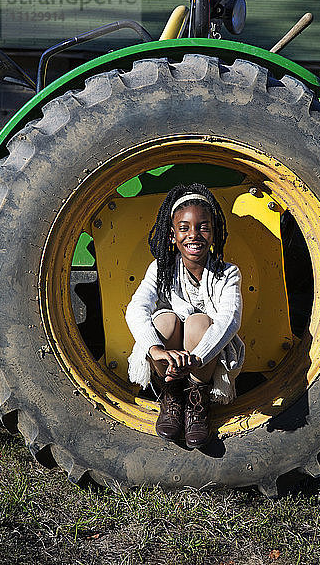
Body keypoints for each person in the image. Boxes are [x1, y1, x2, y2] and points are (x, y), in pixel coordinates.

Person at [125, 183, 244, 448]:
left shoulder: (228, 273)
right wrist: (156, 350)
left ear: (214, 234)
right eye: (184, 228)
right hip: (169, 358)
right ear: (172, 235)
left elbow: (229, 319)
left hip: (206, 357)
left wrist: (197, 357)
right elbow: (136, 307)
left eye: (203, 227)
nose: (194, 235)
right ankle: (171, 397)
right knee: (164, 321)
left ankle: (196, 402)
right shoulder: (160, 268)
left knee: (199, 322)